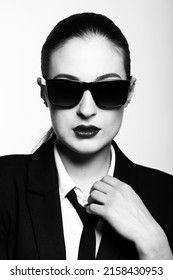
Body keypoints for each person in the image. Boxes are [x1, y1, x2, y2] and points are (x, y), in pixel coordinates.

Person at [0, 12, 173, 260]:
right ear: (44, 93)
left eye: (109, 90)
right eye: (66, 89)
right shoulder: (4, 185)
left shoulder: (168, 197)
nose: (87, 110)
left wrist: (155, 244)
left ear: (130, 91)